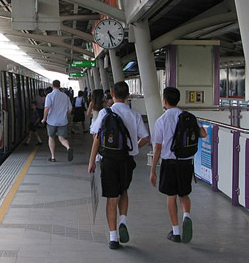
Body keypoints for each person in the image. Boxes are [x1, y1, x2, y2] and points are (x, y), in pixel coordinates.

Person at [88, 81, 150, 250]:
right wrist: (133, 146)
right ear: (128, 95)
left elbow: (97, 138)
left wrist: (91, 161)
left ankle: (113, 238)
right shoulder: (134, 115)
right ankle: (123, 220)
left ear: (112, 94)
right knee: (123, 191)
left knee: (111, 197)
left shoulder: (104, 112)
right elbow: (146, 138)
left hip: (108, 160)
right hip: (126, 161)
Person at [150, 87, 208, 244]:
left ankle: (175, 232)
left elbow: (157, 147)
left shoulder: (161, 120)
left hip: (169, 162)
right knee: (184, 194)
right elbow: (203, 134)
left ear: (165, 101)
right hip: (186, 163)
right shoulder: (189, 117)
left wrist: (153, 169)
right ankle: (186, 216)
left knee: (171, 196)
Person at [41, 80, 73, 162]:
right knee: (61, 138)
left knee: (51, 137)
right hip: (63, 121)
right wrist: (65, 114)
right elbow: (70, 109)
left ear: (52, 86)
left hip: (52, 121)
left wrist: (44, 118)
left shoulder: (49, 96)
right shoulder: (65, 96)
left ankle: (53, 157)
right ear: (60, 86)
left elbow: (47, 108)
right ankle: (68, 147)